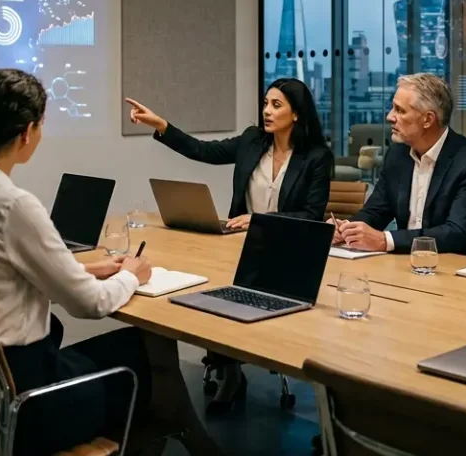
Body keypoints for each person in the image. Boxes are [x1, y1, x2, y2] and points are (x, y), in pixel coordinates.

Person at [0, 69, 217, 456]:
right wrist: (130, 275)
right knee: (146, 356)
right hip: (31, 401)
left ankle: (193, 440)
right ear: (27, 132)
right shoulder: (13, 205)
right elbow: (89, 305)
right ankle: (193, 441)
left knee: (136, 350)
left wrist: (84, 269)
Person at [125, 77, 333, 414]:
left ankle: (249, 362)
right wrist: (161, 125)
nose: (267, 111)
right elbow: (204, 151)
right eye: (266, 103)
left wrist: (262, 220)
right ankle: (230, 373)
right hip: (240, 244)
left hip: (288, 250)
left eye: (276, 105)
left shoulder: (317, 157)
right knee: (215, 287)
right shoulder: (252, 141)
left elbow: (311, 216)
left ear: (296, 114)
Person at [334, 73, 466, 255]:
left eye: (399, 110)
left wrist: (385, 240)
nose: (390, 117)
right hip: (403, 265)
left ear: (428, 119)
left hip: (452, 269)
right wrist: (346, 229)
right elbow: (376, 212)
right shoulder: (397, 154)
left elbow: (457, 233)